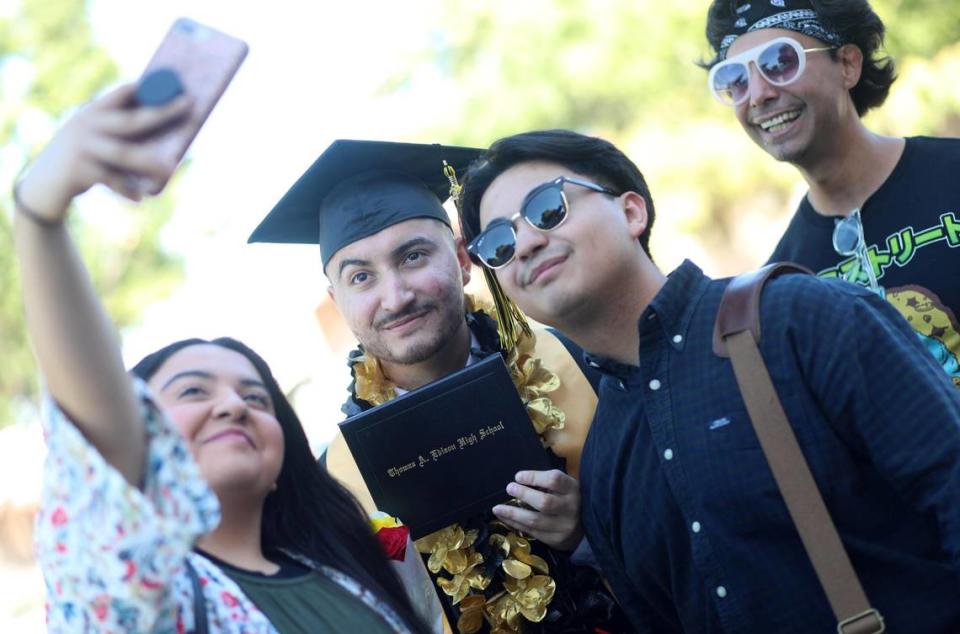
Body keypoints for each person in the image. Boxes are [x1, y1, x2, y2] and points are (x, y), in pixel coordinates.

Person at [457, 128, 960, 633]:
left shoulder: (796, 316)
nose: (525, 243)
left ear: (632, 211)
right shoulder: (604, 458)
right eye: (498, 243)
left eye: (548, 209)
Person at [12, 83, 426, 633]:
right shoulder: (148, 596)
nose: (233, 406)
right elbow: (100, 426)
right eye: (192, 390)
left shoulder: (347, 571)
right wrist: (39, 218)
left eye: (256, 397)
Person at [248, 140, 630, 633]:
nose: (396, 296)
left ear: (462, 259)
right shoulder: (337, 487)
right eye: (361, 276)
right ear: (336, 299)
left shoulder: (588, 366)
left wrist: (588, 536)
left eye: (412, 257)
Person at [701, 0, 960, 386]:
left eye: (779, 61)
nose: (758, 95)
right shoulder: (783, 281)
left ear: (848, 64)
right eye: (735, 79)